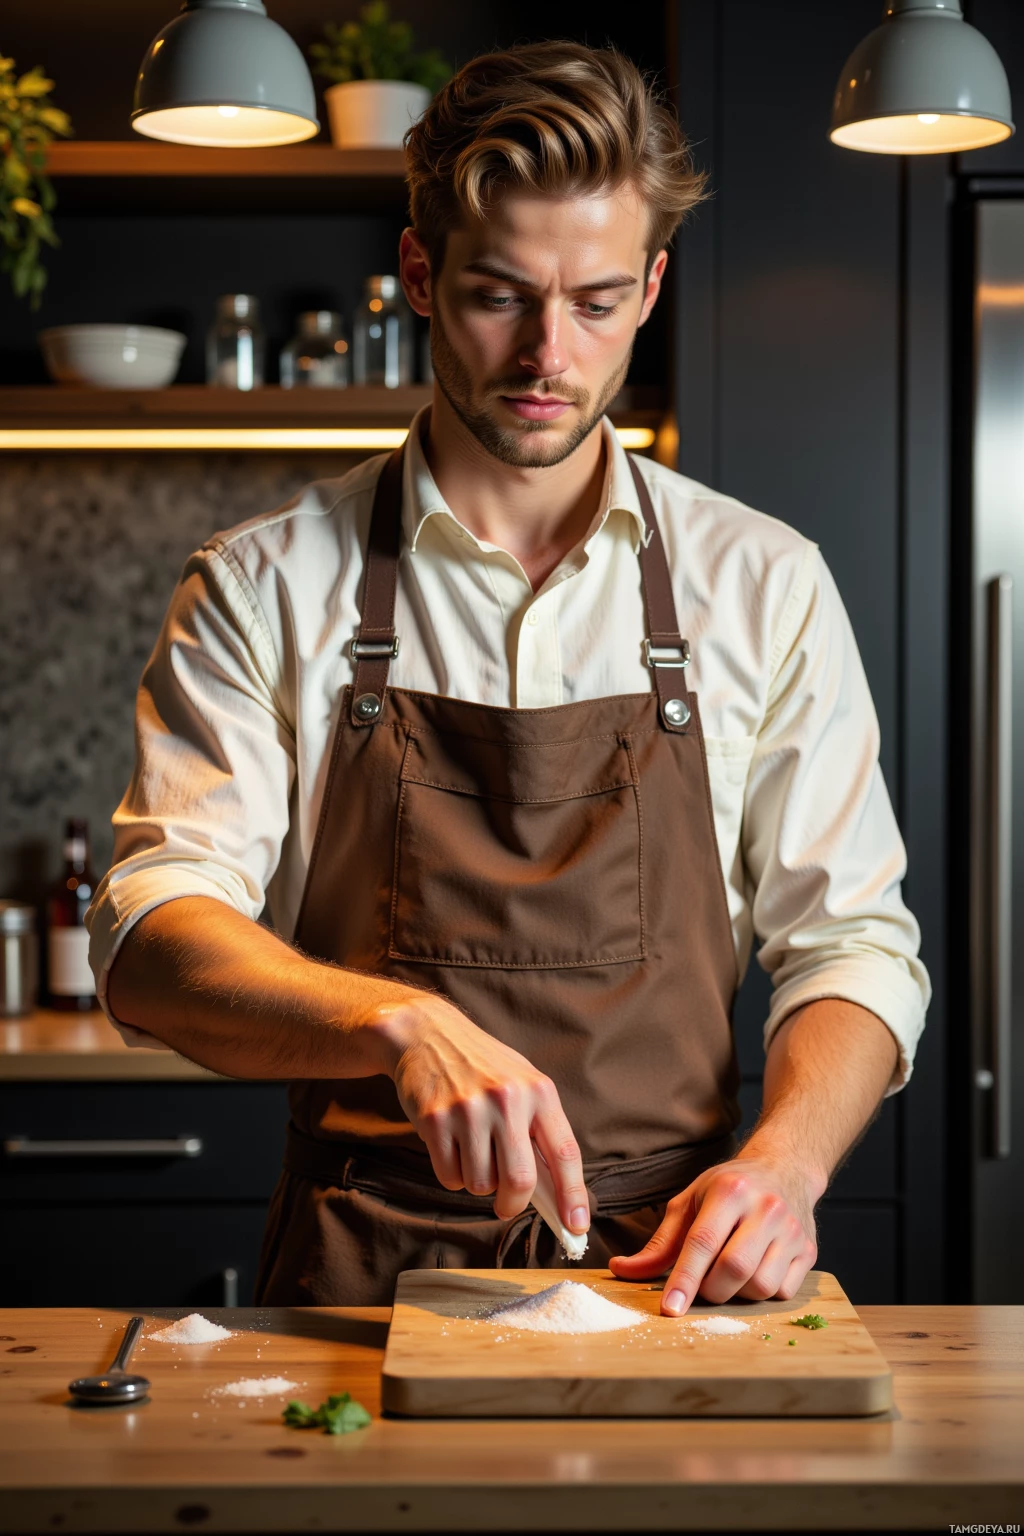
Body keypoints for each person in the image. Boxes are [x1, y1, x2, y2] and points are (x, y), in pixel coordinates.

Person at [87, 40, 930, 1314]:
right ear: (420, 277)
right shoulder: (263, 583)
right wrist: (395, 1024)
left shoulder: (761, 581)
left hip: (676, 1278)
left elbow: (852, 949)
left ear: (650, 290)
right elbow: (151, 936)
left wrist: (786, 1168)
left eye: (595, 302)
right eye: (499, 295)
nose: (549, 352)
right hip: (360, 1278)